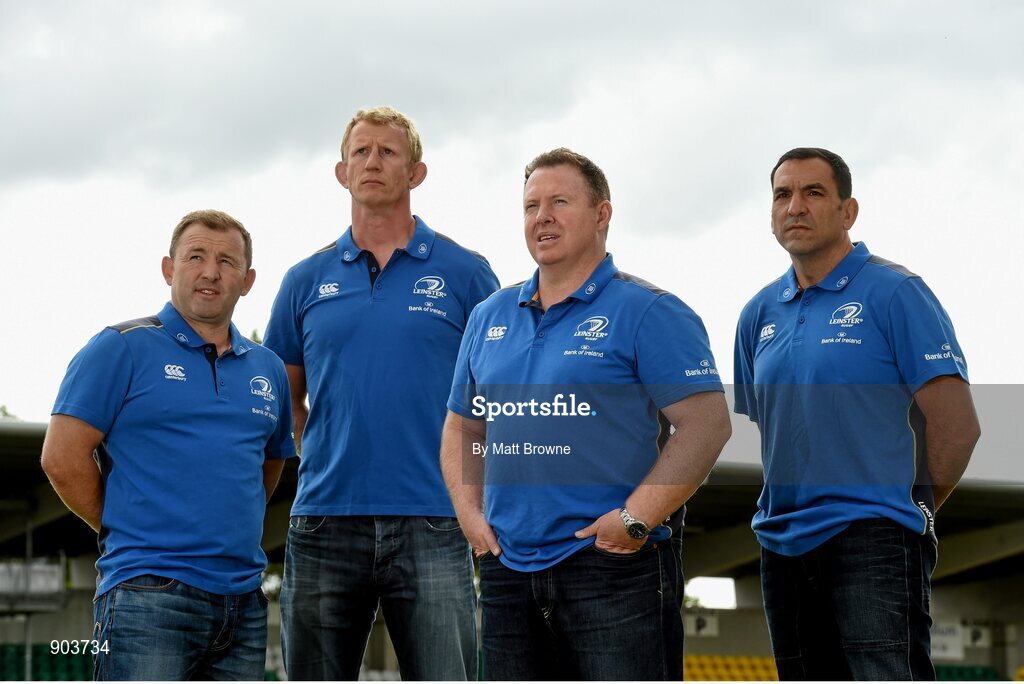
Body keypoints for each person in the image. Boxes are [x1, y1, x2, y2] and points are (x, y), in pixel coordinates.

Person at [441, 148, 732, 680]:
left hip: (612, 565)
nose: (541, 217)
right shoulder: (489, 316)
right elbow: (464, 424)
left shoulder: (649, 310)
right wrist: (469, 513)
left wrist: (633, 520)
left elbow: (708, 424)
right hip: (506, 569)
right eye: (531, 206)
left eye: (559, 202)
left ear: (602, 214)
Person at [264, 106, 499, 680]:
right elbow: (283, 401)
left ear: (416, 173)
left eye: (388, 152)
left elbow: (497, 401)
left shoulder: (467, 274)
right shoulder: (303, 280)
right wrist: (329, 453)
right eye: (361, 152)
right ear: (341, 172)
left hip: (435, 518)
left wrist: (476, 501)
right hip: (324, 520)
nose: (373, 161)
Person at [734, 147, 981, 680]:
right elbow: (778, 430)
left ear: (848, 211)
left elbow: (958, 428)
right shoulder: (757, 314)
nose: (794, 206)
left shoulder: (897, 293)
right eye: (782, 194)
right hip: (781, 547)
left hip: (874, 540)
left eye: (813, 193)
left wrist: (904, 509)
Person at [40, 209, 295, 680]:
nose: (210, 272)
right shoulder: (119, 347)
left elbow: (271, 461)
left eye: (227, 261)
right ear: (168, 268)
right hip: (146, 596)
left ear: (248, 279)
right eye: (195, 256)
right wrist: (131, 526)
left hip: (244, 602)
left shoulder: (268, 368)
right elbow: (60, 457)